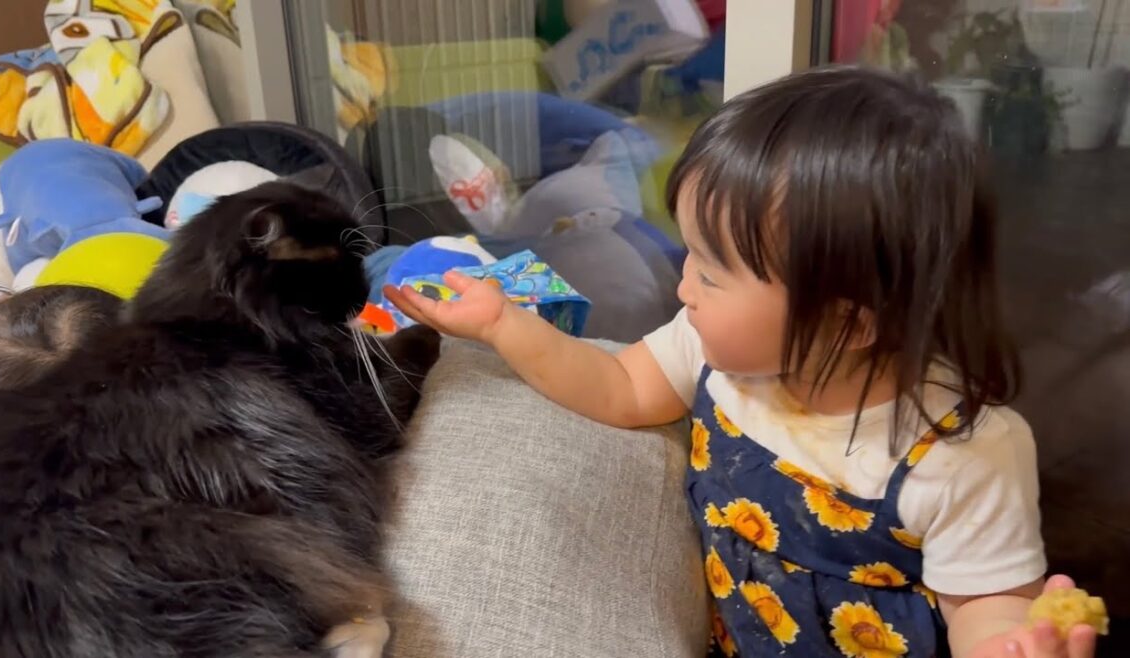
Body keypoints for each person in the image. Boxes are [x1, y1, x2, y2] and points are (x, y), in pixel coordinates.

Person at [385, 67, 1099, 658]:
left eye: (711, 271)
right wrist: (502, 325)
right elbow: (618, 386)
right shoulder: (708, 351)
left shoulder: (963, 454)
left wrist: (1014, 642)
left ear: (845, 322)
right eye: (689, 254)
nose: (682, 286)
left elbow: (984, 603)